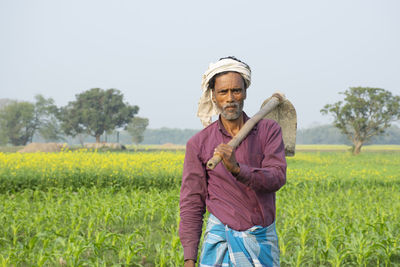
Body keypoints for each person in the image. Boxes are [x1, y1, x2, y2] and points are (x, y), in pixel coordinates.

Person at [179, 56, 286, 267]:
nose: (230, 98)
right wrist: (189, 258)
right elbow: (192, 201)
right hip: (220, 242)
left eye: (236, 91)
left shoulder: (268, 131)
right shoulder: (199, 143)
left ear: (245, 92)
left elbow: (277, 178)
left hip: (261, 241)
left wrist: (237, 169)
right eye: (223, 92)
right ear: (213, 96)